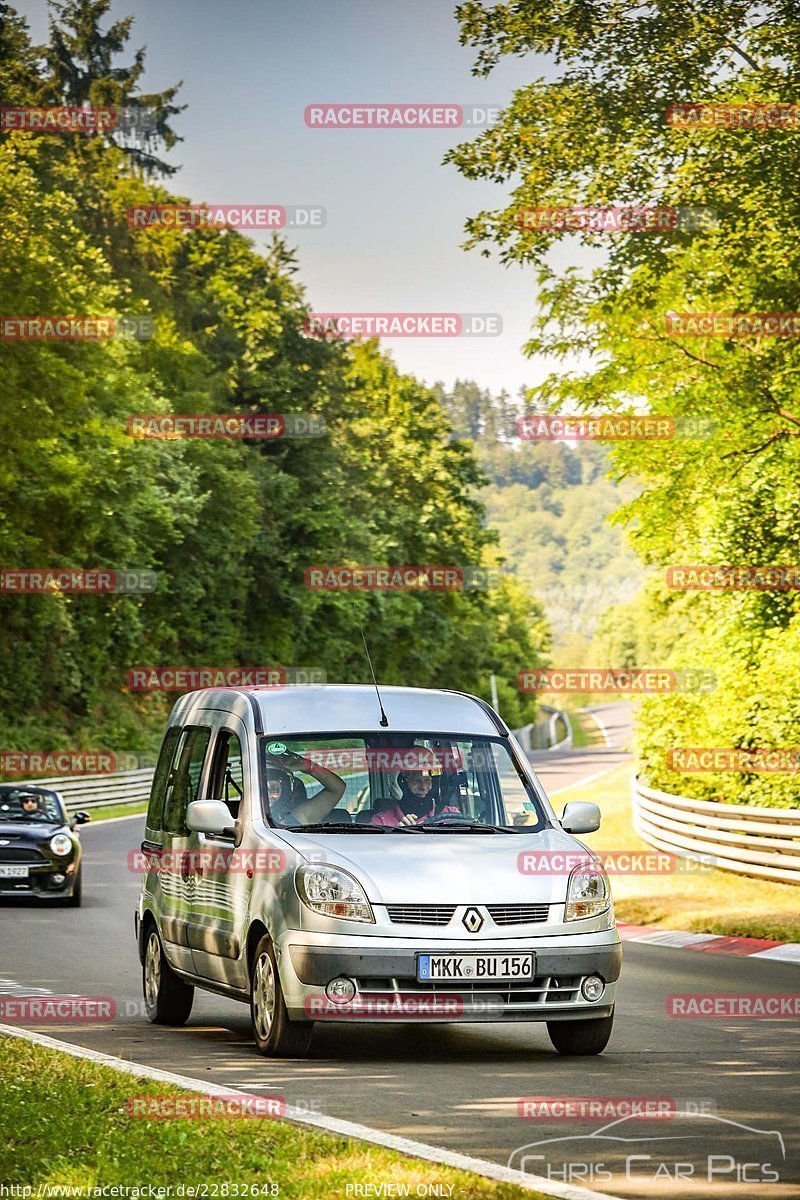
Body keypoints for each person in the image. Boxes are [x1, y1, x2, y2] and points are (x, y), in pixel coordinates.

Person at [264, 749, 345, 825]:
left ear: (284, 790)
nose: (266, 795)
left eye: (274, 789)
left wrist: (307, 765)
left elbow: (337, 788)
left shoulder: (298, 818)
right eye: (260, 790)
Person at [369, 761, 460, 828]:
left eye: (428, 780)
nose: (423, 787)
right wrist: (396, 835)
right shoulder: (381, 821)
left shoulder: (451, 814)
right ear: (401, 783)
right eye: (416, 780)